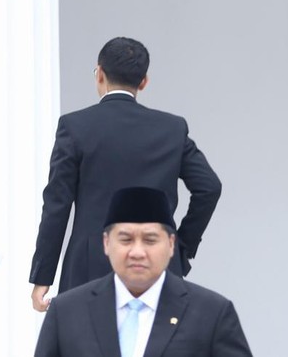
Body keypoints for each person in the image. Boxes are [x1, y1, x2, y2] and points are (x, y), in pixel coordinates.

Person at [30, 37, 222, 312]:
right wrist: (179, 248)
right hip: (156, 263)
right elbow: (209, 188)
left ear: (99, 74)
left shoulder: (75, 127)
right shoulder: (172, 128)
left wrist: (42, 276)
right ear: (143, 81)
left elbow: (56, 206)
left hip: (89, 266)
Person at [34, 187, 252, 356]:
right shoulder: (67, 312)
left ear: (171, 244)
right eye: (126, 239)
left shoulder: (212, 314)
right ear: (106, 243)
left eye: (150, 240)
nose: (137, 252)